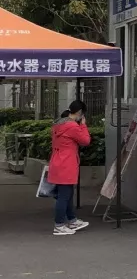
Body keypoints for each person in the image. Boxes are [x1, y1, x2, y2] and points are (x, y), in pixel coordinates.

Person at [49, 100, 92, 236]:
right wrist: (83, 125)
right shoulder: (72, 126)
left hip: (57, 161)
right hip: (67, 163)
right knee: (64, 196)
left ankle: (72, 220)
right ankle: (59, 225)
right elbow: (85, 141)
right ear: (79, 113)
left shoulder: (58, 123)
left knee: (66, 194)